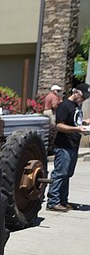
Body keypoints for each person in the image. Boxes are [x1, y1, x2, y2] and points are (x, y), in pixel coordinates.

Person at [46, 83, 89, 212]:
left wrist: (85, 122)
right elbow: (59, 126)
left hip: (73, 145)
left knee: (67, 174)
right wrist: (77, 129)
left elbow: (75, 121)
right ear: (76, 93)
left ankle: (63, 201)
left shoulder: (76, 106)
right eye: (83, 97)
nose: (84, 100)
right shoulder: (64, 105)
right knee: (60, 173)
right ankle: (53, 202)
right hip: (64, 145)